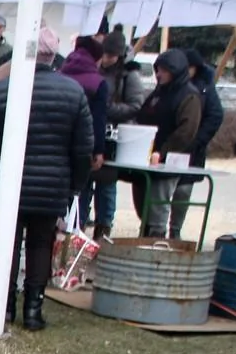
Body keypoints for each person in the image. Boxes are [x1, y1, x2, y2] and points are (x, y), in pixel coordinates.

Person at [0, 27, 93, 330]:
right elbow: (83, 149)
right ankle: (34, 310)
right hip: (52, 185)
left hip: (6, 183)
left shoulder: (1, 91)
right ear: (53, 56)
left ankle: (5, 305)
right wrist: (74, 185)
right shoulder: (73, 93)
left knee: (6, 245)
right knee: (41, 245)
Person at [131, 48, 201, 237]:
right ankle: (147, 234)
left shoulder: (189, 96)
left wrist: (163, 152)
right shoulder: (159, 93)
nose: (158, 74)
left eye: (163, 70)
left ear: (175, 70)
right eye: (157, 70)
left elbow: (187, 131)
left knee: (158, 204)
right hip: (147, 157)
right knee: (144, 204)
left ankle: (156, 240)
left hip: (168, 161)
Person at [93, 30, 148, 242]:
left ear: (119, 55)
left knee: (107, 184)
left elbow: (136, 105)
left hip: (117, 136)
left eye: (111, 56)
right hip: (99, 130)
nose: (106, 60)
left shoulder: (129, 75)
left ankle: (103, 228)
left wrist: (107, 109)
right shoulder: (98, 69)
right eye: (104, 54)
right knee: (91, 180)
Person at [167, 48, 226, 239]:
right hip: (169, 145)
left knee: (183, 190)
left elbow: (215, 116)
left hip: (192, 150)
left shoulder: (205, 88)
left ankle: (175, 229)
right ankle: (155, 229)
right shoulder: (172, 84)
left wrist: (197, 140)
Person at [59, 35, 111, 231]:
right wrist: (98, 150)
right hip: (83, 144)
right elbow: (98, 118)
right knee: (81, 189)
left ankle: (60, 229)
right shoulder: (97, 82)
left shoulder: (61, 74)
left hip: (59, 142)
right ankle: (75, 230)